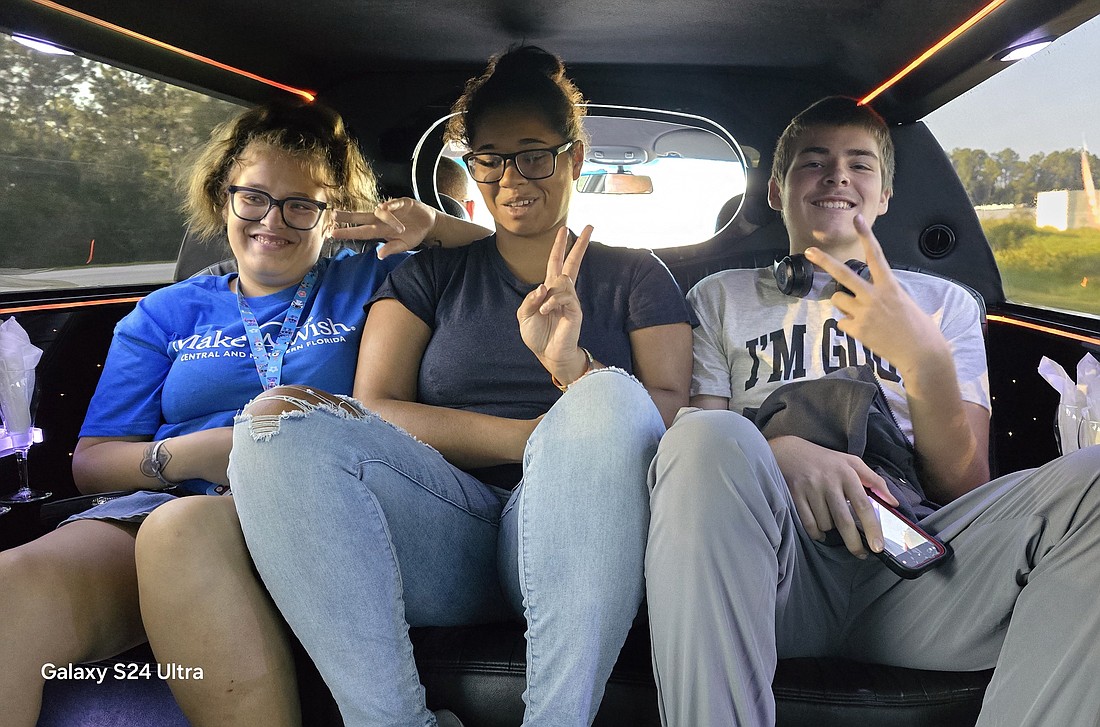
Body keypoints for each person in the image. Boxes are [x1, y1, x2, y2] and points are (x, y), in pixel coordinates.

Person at [228, 45, 693, 727]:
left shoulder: (635, 277)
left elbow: (671, 410)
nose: (512, 177)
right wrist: (532, 437)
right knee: (274, 422)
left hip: (592, 533)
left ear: (574, 156)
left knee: (608, 397)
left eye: (534, 154)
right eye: (490, 158)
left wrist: (572, 370)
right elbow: (374, 407)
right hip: (452, 526)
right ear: (470, 165)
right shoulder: (429, 276)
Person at [0, 99, 472, 727]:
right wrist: (199, 453)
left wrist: (437, 227)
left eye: (301, 204)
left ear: (335, 213)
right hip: (169, 500)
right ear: (223, 197)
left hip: (323, 503)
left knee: (183, 534)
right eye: (253, 197)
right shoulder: (164, 313)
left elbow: (510, 266)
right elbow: (92, 464)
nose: (271, 221)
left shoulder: (380, 279)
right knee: (11, 588)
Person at [645, 96, 1100, 726]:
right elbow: (699, 468)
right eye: (815, 162)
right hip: (775, 572)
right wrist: (781, 453)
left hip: (919, 571)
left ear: (884, 195)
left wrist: (925, 359)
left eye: (860, 165)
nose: (837, 176)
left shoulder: (945, 305)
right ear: (777, 191)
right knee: (701, 439)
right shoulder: (719, 298)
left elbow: (961, 485)